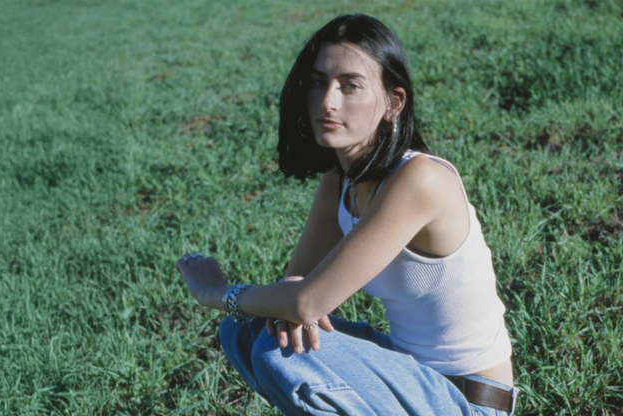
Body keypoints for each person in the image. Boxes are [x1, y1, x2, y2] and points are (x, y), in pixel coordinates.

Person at [176, 13, 519, 416]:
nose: (328, 102)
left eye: (350, 86)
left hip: (467, 401)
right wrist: (284, 303)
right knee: (245, 330)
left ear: (394, 102)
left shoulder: (421, 179)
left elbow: (306, 302)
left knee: (277, 349)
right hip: (410, 376)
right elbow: (295, 287)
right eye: (318, 82)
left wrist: (213, 292)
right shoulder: (339, 180)